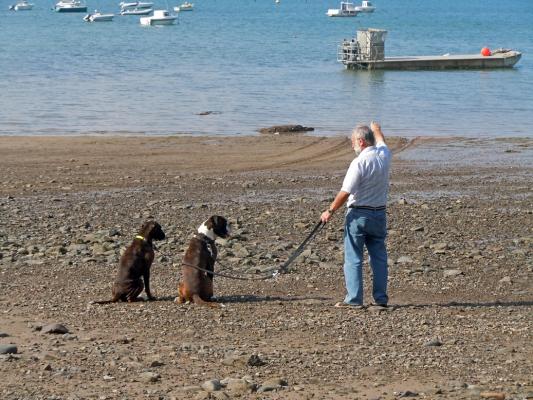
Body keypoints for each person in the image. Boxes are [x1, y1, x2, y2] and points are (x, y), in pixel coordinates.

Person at [320, 121, 391, 309]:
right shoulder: (384, 156)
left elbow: (345, 191)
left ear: (360, 142)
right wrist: (377, 130)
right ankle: (381, 298)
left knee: (353, 258)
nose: (351, 145)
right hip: (379, 213)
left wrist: (330, 210)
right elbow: (382, 141)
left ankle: (354, 299)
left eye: (352, 142)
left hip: (359, 214)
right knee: (379, 258)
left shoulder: (359, 162)